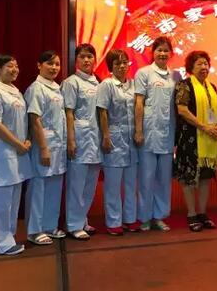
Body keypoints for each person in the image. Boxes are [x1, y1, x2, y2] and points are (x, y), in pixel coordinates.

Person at [0, 53, 32, 255]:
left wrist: (27, 140)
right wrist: (18, 144)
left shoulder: (16, 92)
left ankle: (9, 238)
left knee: (12, 200)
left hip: (17, 153)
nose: (14, 69)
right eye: (9, 66)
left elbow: (22, 122)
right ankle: (0, 244)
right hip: (0, 154)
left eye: (16, 66)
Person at [134, 36, 181, 231]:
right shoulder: (143, 73)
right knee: (146, 178)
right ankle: (144, 217)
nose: (162, 53)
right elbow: (138, 102)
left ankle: (159, 216)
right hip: (148, 132)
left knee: (163, 179)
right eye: (159, 50)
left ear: (171, 53)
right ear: (152, 52)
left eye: (165, 50)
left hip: (168, 133)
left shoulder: (176, 76)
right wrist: (138, 130)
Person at [174, 51, 217, 232]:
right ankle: (192, 214)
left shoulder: (212, 87)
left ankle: (202, 213)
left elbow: (215, 112)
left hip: (209, 138)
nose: (204, 67)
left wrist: (215, 127)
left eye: (206, 64)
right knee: (189, 178)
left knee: (205, 177)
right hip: (190, 138)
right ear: (191, 67)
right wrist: (204, 127)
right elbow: (182, 110)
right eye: (199, 64)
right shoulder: (184, 85)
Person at [24, 50, 67, 245]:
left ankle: (50, 226)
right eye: (50, 63)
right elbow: (35, 119)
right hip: (44, 145)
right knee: (38, 187)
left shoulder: (56, 88)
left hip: (58, 146)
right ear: (39, 65)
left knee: (54, 187)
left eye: (57, 64)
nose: (54, 67)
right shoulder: (36, 88)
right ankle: (34, 230)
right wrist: (43, 148)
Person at [97, 49, 140, 235]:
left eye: (125, 62)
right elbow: (102, 112)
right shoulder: (107, 85)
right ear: (111, 66)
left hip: (131, 140)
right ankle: (113, 221)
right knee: (113, 185)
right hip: (114, 138)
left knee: (131, 184)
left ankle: (130, 218)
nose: (122, 66)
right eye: (117, 63)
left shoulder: (133, 84)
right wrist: (106, 136)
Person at [61, 43, 101, 240]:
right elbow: (68, 112)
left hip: (95, 139)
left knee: (90, 184)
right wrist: (71, 140)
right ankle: (73, 225)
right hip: (79, 138)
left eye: (90, 56)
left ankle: (82, 220)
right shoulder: (71, 83)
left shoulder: (99, 82)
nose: (86, 60)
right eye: (82, 57)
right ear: (76, 60)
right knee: (76, 184)